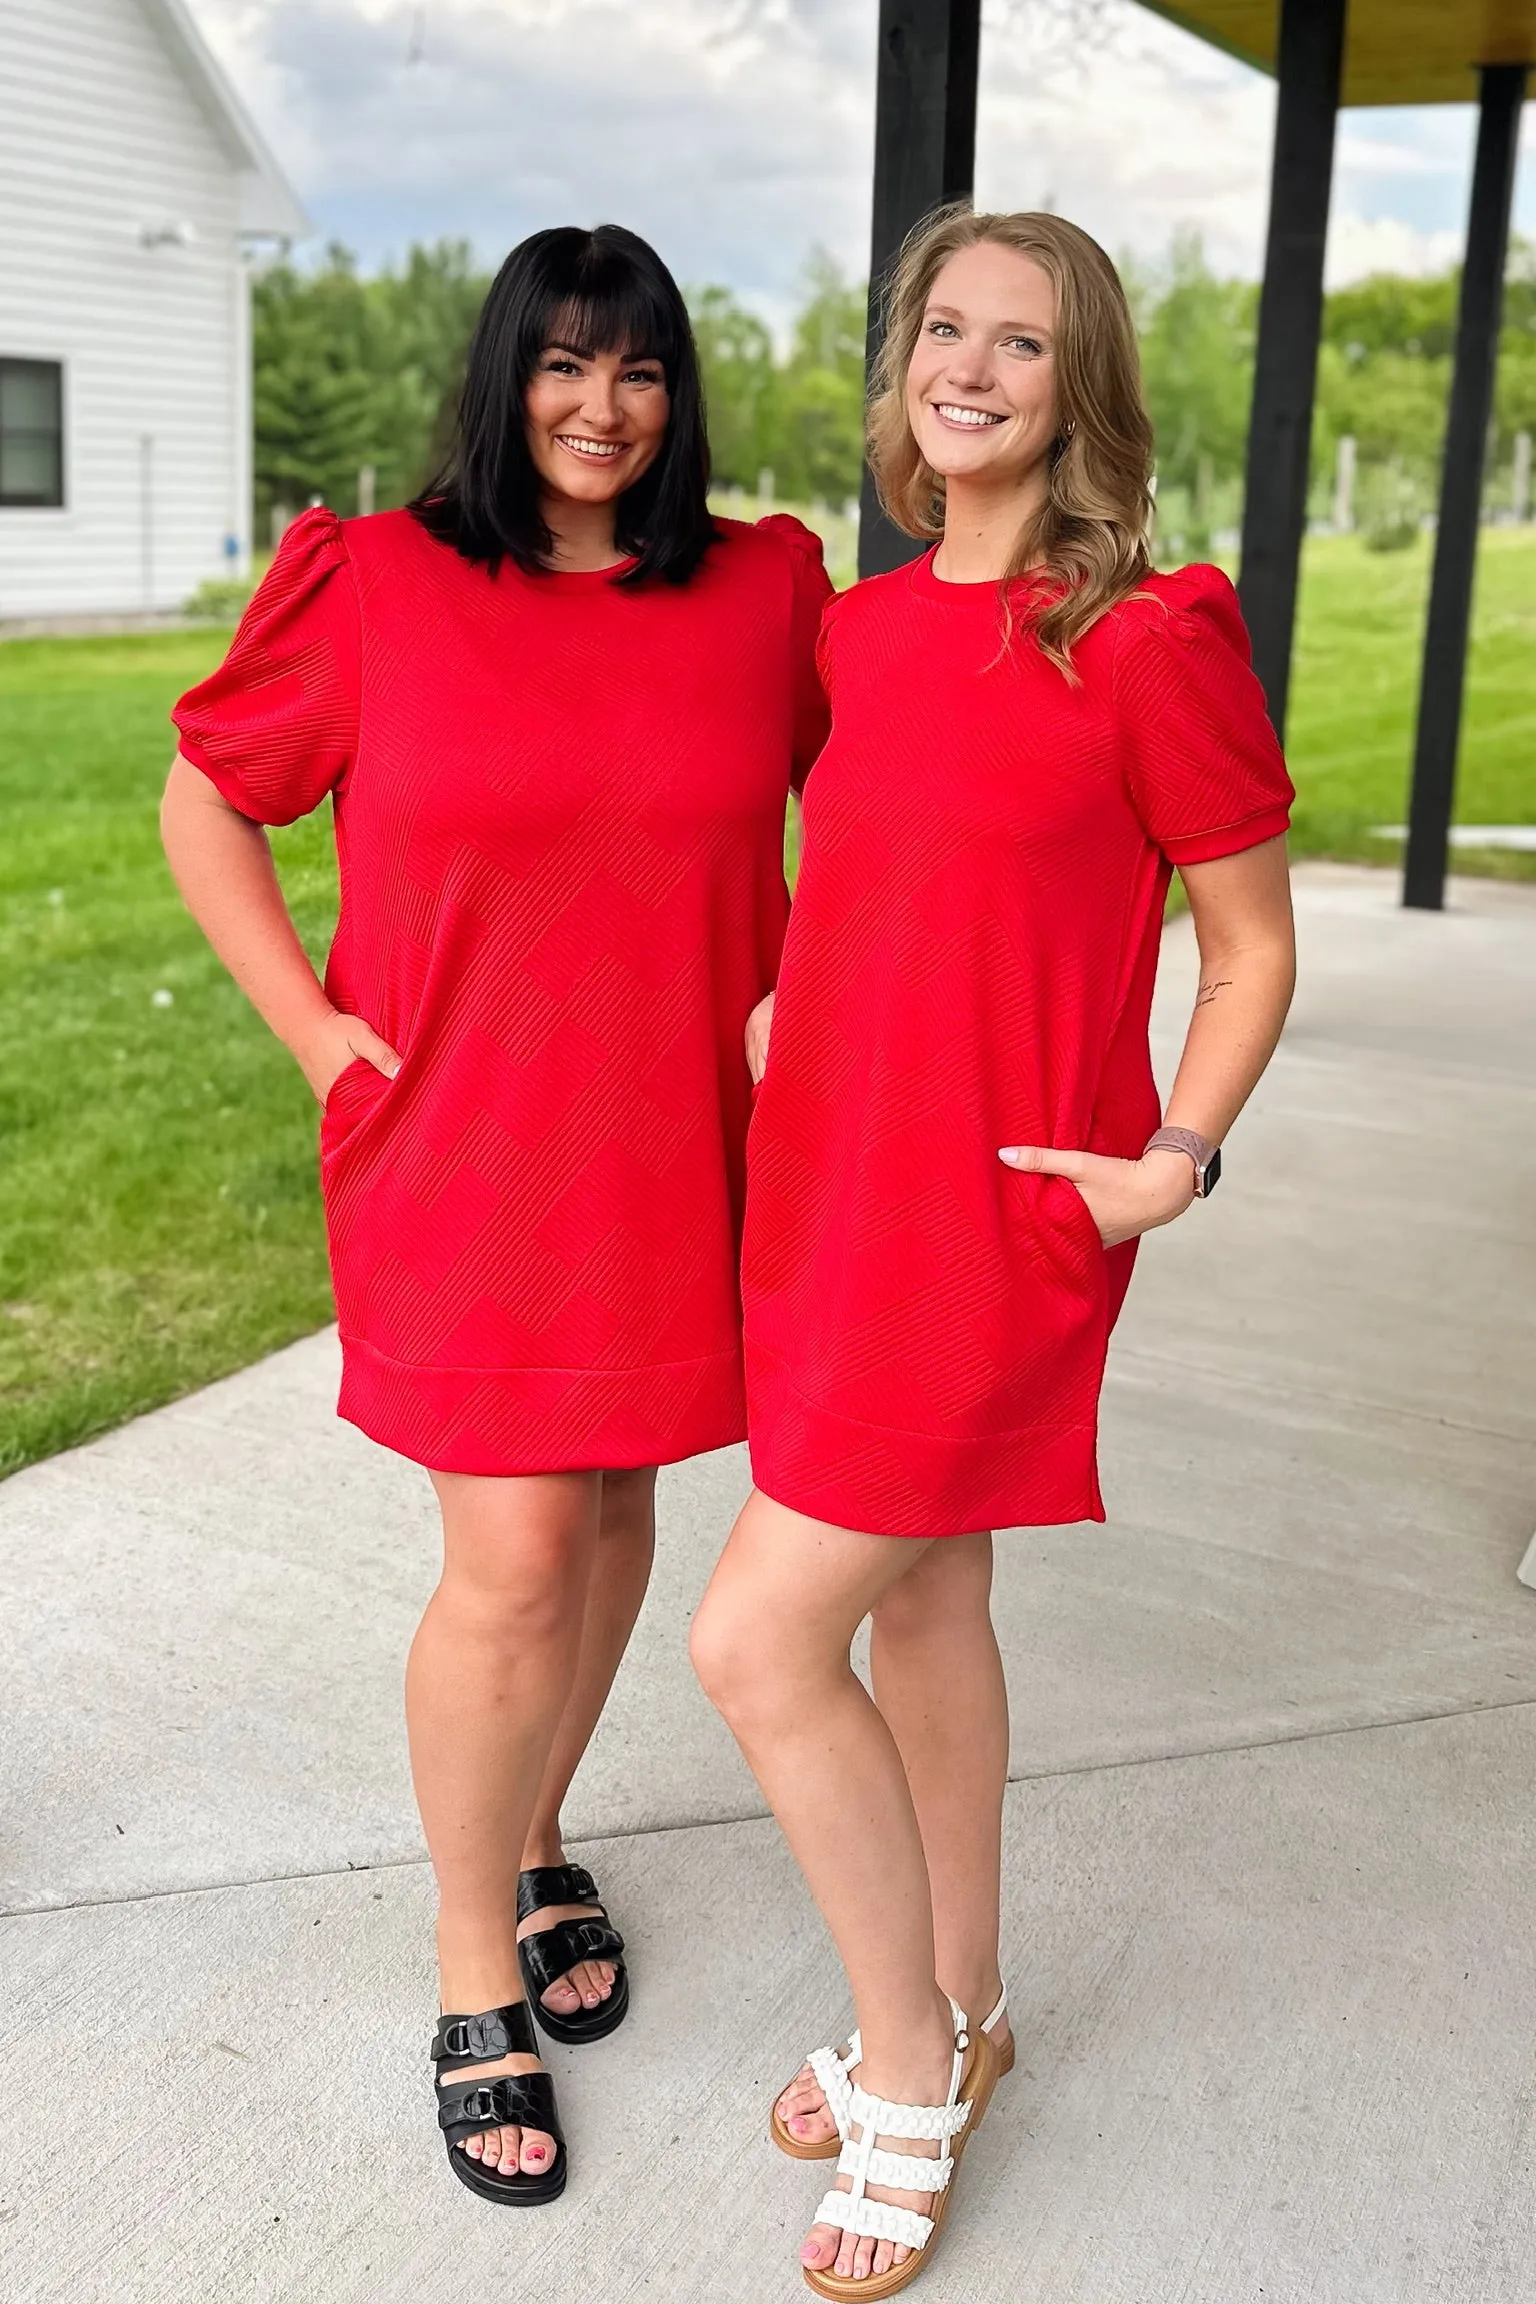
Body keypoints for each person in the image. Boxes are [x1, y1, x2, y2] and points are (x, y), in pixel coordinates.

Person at [160, 223, 829, 2206]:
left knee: (616, 1508)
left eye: (634, 371)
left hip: (685, 1145)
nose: (598, 409)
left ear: (673, 390)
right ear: (500, 378)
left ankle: (533, 1835)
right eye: (558, 366)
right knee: (518, 1550)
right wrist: (311, 1030)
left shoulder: (765, 588)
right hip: (460, 1142)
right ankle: (472, 1958)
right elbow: (212, 794)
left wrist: (823, 983)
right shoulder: (378, 580)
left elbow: (883, 801)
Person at [691, 204, 1297, 2296]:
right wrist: (800, 998)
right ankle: (970, 1980)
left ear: (1080, 387)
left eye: (1018, 343)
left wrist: (1179, 1154)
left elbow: (1248, 945)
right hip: (832, 1189)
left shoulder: (1144, 634)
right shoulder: (862, 633)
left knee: (759, 1647)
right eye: (941, 328)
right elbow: (888, 876)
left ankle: (909, 2054)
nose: (967, 366)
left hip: (999, 1214)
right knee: (925, 1611)